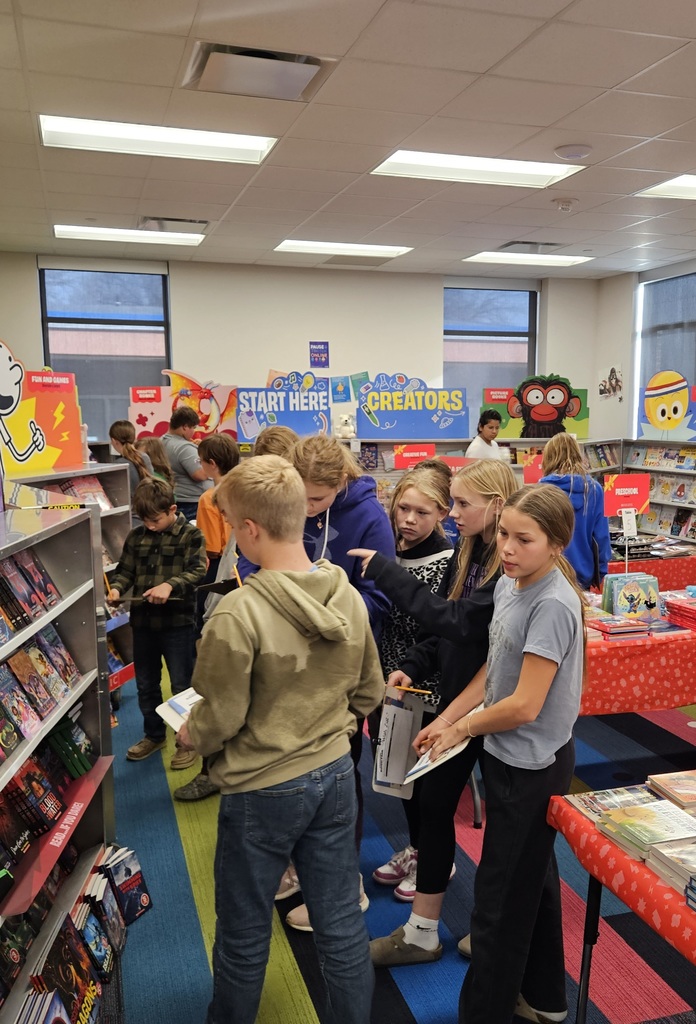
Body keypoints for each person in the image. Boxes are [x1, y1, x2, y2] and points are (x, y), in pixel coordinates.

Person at [176, 455, 384, 1024]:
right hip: (337, 773)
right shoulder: (345, 593)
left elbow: (218, 715)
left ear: (249, 530)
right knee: (341, 921)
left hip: (260, 787)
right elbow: (369, 691)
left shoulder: (236, 613)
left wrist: (193, 735)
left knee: (243, 928)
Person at [418, 483, 585, 1024]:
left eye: (524, 540)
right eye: (505, 535)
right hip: (506, 753)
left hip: (531, 764)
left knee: (495, 906)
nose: (508, 549)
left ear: (557, 544)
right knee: (528, 879)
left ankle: (483, 1012)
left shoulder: (555, 604)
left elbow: (524, 704)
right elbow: (495, 669)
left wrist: (462, 727)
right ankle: (545, 998)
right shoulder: (513, 583)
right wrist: (448, 721)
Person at [350, 460, 517, 963]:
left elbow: (462, 622)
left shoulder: (501, 564)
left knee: (511, 831)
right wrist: (414, 665)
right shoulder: (467, 552)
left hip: (493, 711)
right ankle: (423, 931)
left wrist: (383, 570)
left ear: (496, 504)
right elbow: (440, 631)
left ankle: (496, 930)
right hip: (456, 700)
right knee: (433, 804)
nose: (453, 514)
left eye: (462, 504)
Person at [243, 434, 394, 931]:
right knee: (286, 765)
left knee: (338, 771)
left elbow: (380, 598)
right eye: (299, 498)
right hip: (281, 665)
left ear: (342, 483)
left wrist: (325, 614)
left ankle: (341, 883)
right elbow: (253, 557)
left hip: (339, 666)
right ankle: (296, 865)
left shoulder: (368, 517)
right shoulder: (284, 503)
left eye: (318, 501)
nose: (306, 510)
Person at [107, 478, 206, 769]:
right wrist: (116, 588)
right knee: (146, 684)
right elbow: (124, 571)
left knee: (181, 685)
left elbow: (198, 570)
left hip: (178, 624)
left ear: (172, 509)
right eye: (144, 520)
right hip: (143, 623)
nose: (150, 525)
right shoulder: (136, 537)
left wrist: (170, 586)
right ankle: (153, 734)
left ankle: (186, 739)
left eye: (155, 519)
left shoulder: (191, 535)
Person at [174, 432, 240, 803]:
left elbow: (213, 550)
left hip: (220, 590)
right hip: (228, 588)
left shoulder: (212, 497)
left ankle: (210, 768)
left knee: (213, 680)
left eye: (201, 463)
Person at [540, 432, 612, 589]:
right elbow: (601, 537)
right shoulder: (594, 489)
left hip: (546, 573)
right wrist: (601, 570)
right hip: (582, 575)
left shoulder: (540, 491)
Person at [161, 407, 210, 521]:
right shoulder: (183, 447)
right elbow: (200, 474)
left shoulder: (162, 441)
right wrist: (208, 454)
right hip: (192, 504)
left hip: (180, 499)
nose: (193, 432)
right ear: (184, 427)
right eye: (193, 427)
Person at [108, 420, 154, 526]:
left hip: (130, 521)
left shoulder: (117, 465)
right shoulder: (145, 457)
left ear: (114, 441)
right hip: (148, 516)